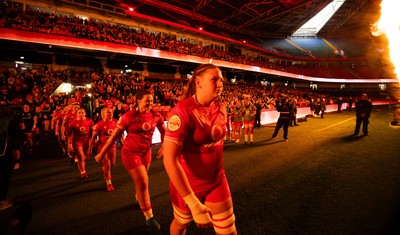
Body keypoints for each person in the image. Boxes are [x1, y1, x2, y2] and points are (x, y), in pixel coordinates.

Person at [163, 64, 237, 235]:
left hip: (217, 180)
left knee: (229, 230)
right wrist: (195, 205)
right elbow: (170, 160)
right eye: (214, 79)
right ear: (198, 82)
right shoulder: (182, 111)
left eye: (221, 80)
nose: (220, 84)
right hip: (188, 186)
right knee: (180, 225)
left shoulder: (221, 107)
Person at [94, 90, 166, 231]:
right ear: (138, 101)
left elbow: (164, 131)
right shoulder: (128, 117)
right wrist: (102, 153)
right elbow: (114, 136)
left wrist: (163, 146)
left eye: (151, 100)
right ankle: (149, 217)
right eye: (147, 100)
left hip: (146, 153)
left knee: (141, 182)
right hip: (130, 153)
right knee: (144, 182)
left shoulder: (156, 115)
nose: (150, 103)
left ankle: (139, 198)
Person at [88, 107, 120, 191]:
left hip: (112, 146)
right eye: (108, 112)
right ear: (103, 114)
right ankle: (109, 182)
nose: (110, 114)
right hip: (101, 147)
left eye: (111, 112)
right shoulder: (99, 124)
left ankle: (106, 169)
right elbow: (93, 138)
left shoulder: (116, 122)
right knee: (107, 165)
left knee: (112, 164)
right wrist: (89, 148)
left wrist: (125, 144)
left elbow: (120, 135)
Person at [0, 106, 24, 210]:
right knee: (4, 176)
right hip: (3, 152)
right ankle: (1, 201)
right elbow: (20, 135)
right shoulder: (9, 121)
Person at [67, 108, 94, 178]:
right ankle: (83, 172)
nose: (81, 114)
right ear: (77, 114)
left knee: (85, 156)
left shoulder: (89, 121)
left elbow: (93, 133)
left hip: (86, 141)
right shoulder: (73, 122)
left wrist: (92, 142)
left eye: (82, 112)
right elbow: (69, 135)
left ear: (85, 113)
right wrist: (69, 144)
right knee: (81, 156)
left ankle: (81, 163)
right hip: (77, 141)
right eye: (79, 113)